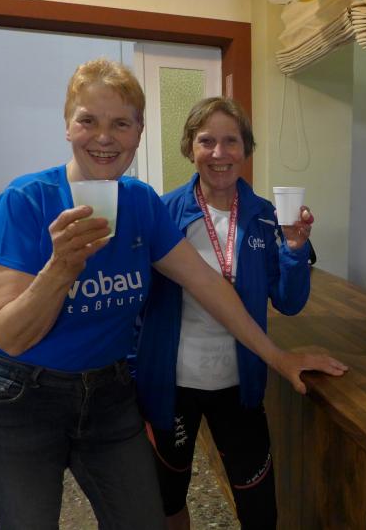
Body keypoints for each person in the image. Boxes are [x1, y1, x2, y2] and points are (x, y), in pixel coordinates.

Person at [0, 60, 347, 530]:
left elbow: (208, 284)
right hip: (22, 393)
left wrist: (278, 357)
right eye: (88, 120)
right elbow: (10, 335)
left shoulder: (142, 203)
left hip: (107, 393)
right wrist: (60, 268)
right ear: (67, 125)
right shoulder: (26, 200)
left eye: (120, 124)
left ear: (139, 132)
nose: (104, 137)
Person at [133, 96, 314, 530]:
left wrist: (295, 248)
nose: (219, 153)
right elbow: (137, 302)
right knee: (167, 500)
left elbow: (289, 302)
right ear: (189, 148)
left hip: (239, 383)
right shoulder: (163, 213)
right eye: (206, 141)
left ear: (246, 149)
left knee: (260, 512)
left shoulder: (266, 216)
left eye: (231, 141)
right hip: (172, 385)